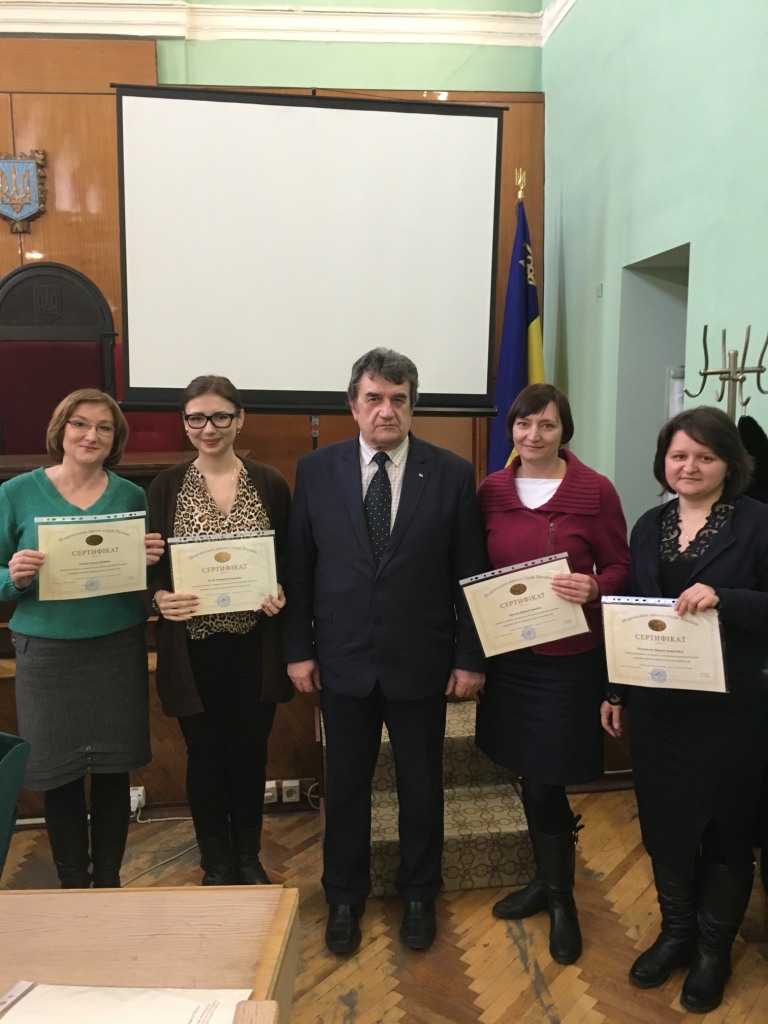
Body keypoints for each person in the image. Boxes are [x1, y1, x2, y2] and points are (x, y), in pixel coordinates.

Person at [283, 347, 487, 955]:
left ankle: (420, 892)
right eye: (373, 398)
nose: (386, 410)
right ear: (353, 406)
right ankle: (344, 897)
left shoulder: (451, 473)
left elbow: (469, 573)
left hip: (422, 661)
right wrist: (299, 649)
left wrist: (470, 656)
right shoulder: (316, 470)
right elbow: (300, 568)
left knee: (422, 786)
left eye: (398, 399)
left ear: (412, 405)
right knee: (346, 788)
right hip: (342, 659)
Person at [601, 406, 768, 1013]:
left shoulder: (758, 523)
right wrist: (616, 690)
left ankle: (713, 951)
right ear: (663, 462)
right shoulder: (649, 525)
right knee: (665, 825)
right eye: (679, 455)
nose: (690, 466)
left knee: (725, 831)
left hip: (732, 711)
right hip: (658, 709)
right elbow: (630, 610)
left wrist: (726, 597)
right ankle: (677, 934)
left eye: (705, 456)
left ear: (729, 463)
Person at [476, 382, 630, 964]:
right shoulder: (491, 491)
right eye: (523, 424)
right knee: (525, 769)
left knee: (548, 777)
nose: (533, 435)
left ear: (564, 430)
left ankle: (562, 898)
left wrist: (595, 587)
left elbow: (621, 565)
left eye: (546, 424)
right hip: (509, 658)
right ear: (511, 429)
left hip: (569, 661)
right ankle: (545, 880)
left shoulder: (595, 490)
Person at [0, 388, 164, 888]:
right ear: (61, 429)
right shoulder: (16, 493)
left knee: (113, 772)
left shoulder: (132, 496)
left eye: (104, 427)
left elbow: (139, 577)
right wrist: (14, 578)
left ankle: (108, 882)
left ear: (115, 438)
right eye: (80, 424)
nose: (91, 435)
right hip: (47, 656)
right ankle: (74, 885)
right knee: (59, 776)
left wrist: (148, 561)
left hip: (116, 649)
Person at [148, 375, 292, 886]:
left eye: (220, 416)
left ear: (240, 419)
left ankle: (248, 857)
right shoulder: (165, 487)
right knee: (204, 756)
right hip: (193, 651)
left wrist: (281, 592)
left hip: (255, 645)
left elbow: (288, 560)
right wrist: (159, 598)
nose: (208, 428)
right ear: (184, 423)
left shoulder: (269, 482)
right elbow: (149, 569)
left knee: (250, 755)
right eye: (196, 418)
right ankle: (216, 861)